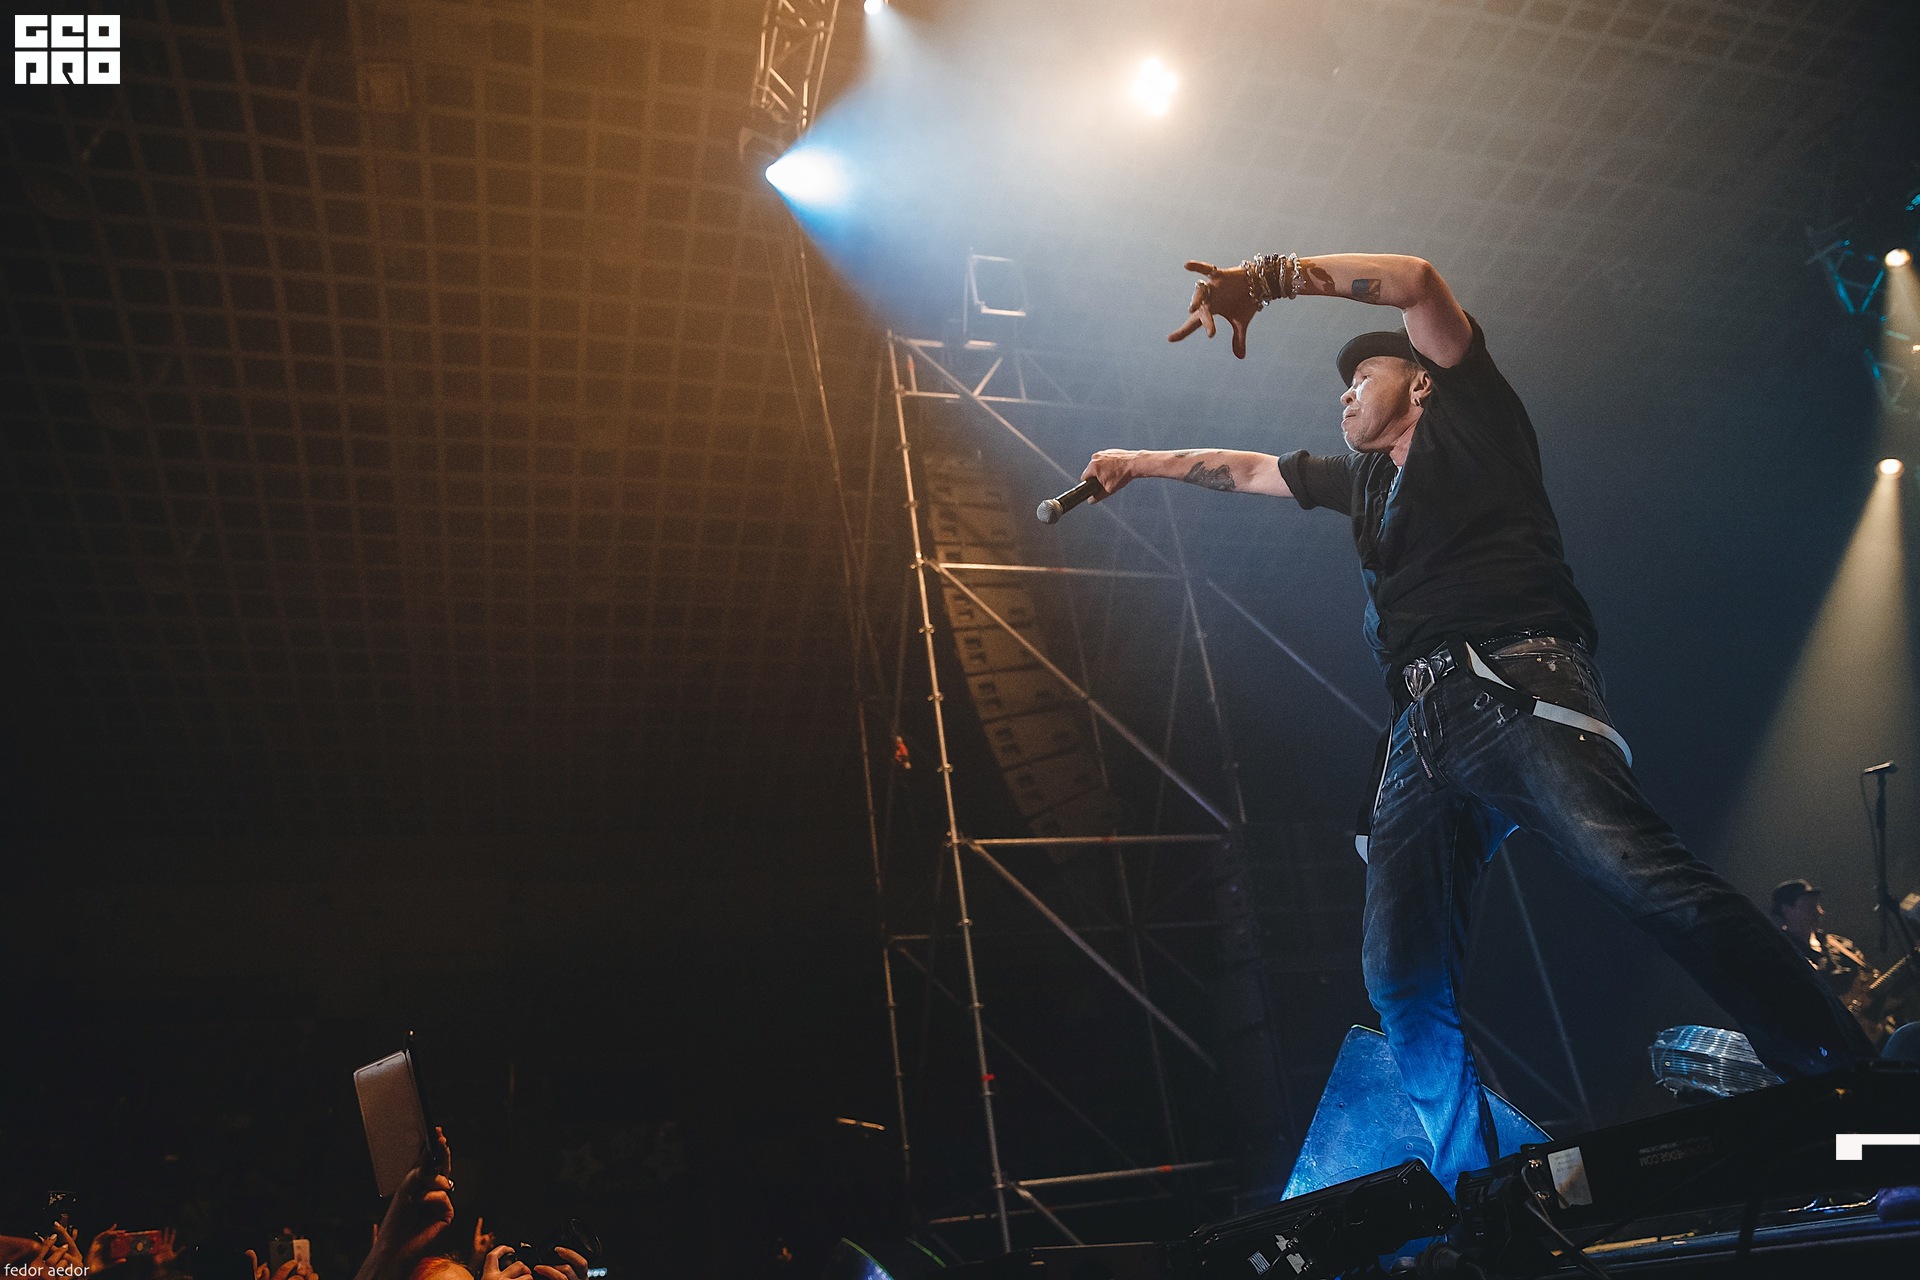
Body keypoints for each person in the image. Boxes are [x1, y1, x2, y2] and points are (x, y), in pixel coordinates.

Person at [1079, 252, 1875, 1193]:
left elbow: (1416, 280)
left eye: (1362, 375)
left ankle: (1850, 1091)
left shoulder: (1474, 415)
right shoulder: (1364, 484)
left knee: (1643, 878)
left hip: (1513, 683)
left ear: (1419, 381)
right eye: (1339, 386)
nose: (1344, 395)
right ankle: (1479, 1189)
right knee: (1400, 977)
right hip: (1419, 734)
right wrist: (1136, 462)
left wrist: (1271, 277)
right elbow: (1251, 469)